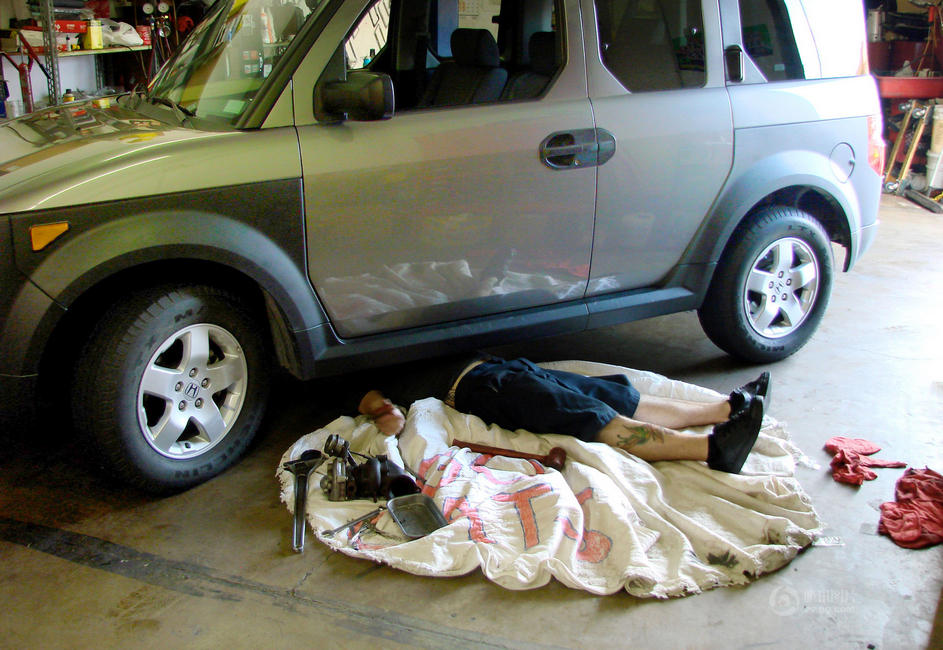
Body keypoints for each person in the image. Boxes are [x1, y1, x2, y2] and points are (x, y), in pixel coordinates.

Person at [357, 355, 770, 474]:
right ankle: (712, 450)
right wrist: (384, 413)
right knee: (592, 416)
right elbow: (387, 417)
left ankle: (725, 408)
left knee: (615, 396)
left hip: (504, 370)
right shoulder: (363, 377)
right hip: (482, 389)